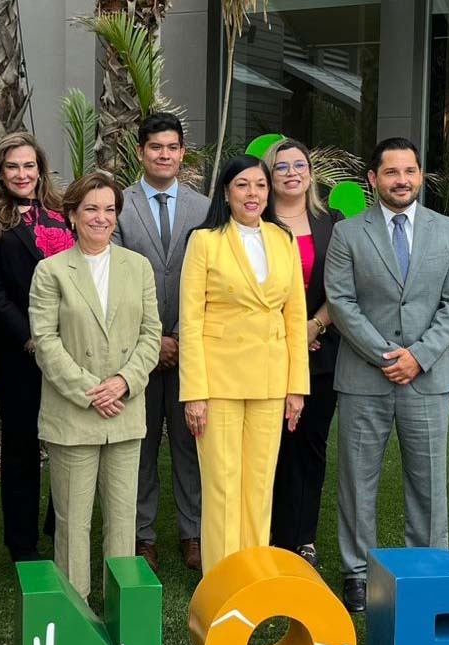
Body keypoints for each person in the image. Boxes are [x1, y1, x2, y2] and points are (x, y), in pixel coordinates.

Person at [324, 137, 449, 612]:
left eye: (409, 171)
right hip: (364, 378)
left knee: (428, 482)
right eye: (391, 172)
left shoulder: (448, 231)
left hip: (426, 379)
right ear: (373, 179)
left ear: (420, 175)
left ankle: (428, 568)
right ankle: (358, 573)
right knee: (357, 481)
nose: (402, 180)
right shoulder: (348, 233)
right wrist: (388, 356)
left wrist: (419, 356)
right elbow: (341, 302)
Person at [29, 172, 161, 597]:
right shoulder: (50, 271)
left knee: (123, 520)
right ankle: (76, 609)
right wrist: (92, 391)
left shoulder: (138, 267)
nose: (101, 218)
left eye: (109, 209)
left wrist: (123, 382)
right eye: (91, 209)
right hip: (74, 414)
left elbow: (152, 334)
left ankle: (120, 609)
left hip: (125, 410)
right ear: (72, 215)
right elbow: (45, 341)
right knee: (72, 522)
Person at [179, 155, 309, 573]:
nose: (252, 194)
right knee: (222, 484)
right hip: (218, 381)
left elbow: (295, 318)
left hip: (271, 380)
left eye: (260, 185)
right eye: (242, 185)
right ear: (225, 192)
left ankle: (253, 574)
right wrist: (194, 393)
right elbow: (190, 320)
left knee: (259, 483)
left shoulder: (283, 238)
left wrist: (296, 388)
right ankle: (221, 577)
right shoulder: (205, 241)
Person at [113, 112, 209, 573]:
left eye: (172, 147)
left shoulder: (205, 208)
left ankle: (194, 533)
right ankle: (142, 535)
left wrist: (181, 339)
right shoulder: (118, 205)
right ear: (140, 152)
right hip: (136, 353)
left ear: (182, 152)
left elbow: (213, 283)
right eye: (155, 147)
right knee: (141, 447)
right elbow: (112, 279)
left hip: (192, 350)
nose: (164, 155)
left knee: (192, 446)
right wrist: (153, 343)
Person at [0, 132, 67, 562]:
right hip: (18, 350)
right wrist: (32, 339)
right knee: (22, 445)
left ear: (40, 169)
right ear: (0, 172)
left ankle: (60, 529)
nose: (22, 174)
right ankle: (22, 542)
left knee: (68, 443)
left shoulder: (63, 214)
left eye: (29, 165)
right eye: (13, 166)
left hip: (70, 350)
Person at [263, 139, 344, 569]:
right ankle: (269, 534)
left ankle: (303, 538)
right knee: (270, 446)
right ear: (269, 175)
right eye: (281, 167)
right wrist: (289, 333)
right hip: (265, 351)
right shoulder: (255, 221)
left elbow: (346, 286)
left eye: (299, 165)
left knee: (310, 445)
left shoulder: (333, 223)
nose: (292, 173)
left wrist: (314, 325)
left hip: (321, 350)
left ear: (310, 174)